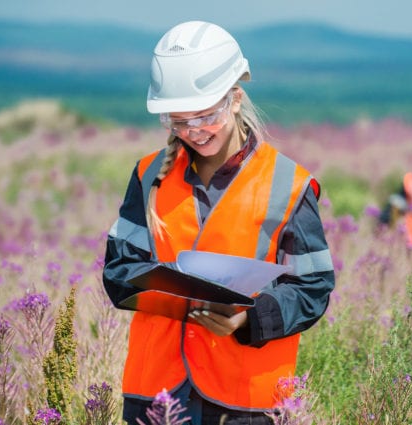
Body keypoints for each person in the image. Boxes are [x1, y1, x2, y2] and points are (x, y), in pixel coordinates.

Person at [102, 21, 335, 425]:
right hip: (155, 391)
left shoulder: (289, 185)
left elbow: (313, 289)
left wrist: (249, 318)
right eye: (179, 121)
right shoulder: (147, 175)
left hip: (245, 402)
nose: (194, 131)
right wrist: (169, 287)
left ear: (236, 98)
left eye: (206, 116)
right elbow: (119, 271)